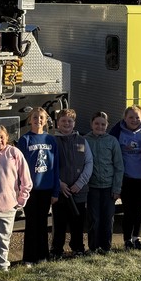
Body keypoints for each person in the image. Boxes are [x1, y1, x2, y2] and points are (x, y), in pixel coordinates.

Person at [0, 124, 32, 273]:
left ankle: (2, 265)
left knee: (4, 238)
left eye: (2, 137)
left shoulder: (14, 153)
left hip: (9, 206)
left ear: (7, 138)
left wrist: (21, 200)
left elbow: (26, 178)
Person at [17, 108, 61, 264]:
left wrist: (56, 191)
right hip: (30, 190)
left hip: (46, 189)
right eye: (35, 117)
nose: (38, 120)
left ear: (45, 120)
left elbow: (55, 167)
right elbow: (19, 169)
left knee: (43, 224)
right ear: (30, 120)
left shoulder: (51, 140)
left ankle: (43, 256)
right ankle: (29, 258)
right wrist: (21, 190)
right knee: (31, 224)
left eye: (41, 117)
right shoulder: (25, 140)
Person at [51, 109, 93, 257]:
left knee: (78, 222)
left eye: (70, 121)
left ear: (74, 123)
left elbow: (89, 163)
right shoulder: (53, 141)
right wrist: (59, 184)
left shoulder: (82, 141)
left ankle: (78, 248)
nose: (66, 123)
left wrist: (80, 184)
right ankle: (56, 250)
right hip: (60, 191)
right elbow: (49, 166)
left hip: (78, 191)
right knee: (59, 223)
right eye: (63, 121)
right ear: (58, 123)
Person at [112, 105, 141, 250]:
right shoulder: (118, 130)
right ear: (125, 118)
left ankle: (137, 238)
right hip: (126, 178)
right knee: (128, 211)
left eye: (137, 117)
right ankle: (127, 240)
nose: (134, 120)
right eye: (131, 117)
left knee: (140, 211)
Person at [84, 111, 124, 253]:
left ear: (107, 125)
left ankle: (106, 247)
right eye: (97, 124)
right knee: (94, 219)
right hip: (92, 187)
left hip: (109, 187)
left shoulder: (112, 141)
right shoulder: (85, 140)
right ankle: (93, 247)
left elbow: (119, 166)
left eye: (103, 124)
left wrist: (117, 188)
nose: (99, 126)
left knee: (108, 219)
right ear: (91, 124)